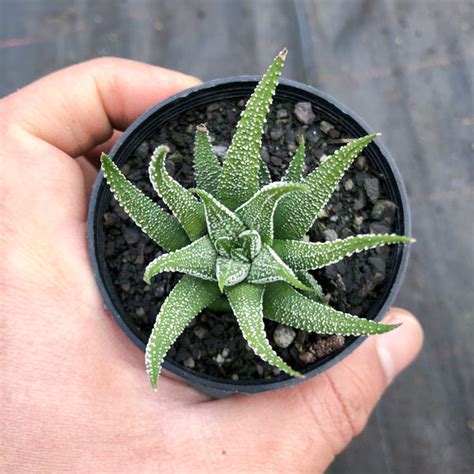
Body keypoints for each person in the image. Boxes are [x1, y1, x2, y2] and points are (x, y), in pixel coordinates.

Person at [0, 58, 423, 472]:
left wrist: (285, 268)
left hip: (263, 261)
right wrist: (171, 255)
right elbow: (170, 210)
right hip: (213, 265)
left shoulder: (275, 237)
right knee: (201, 196)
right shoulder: (199, 247)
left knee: (298, 223)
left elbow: (297, 251)